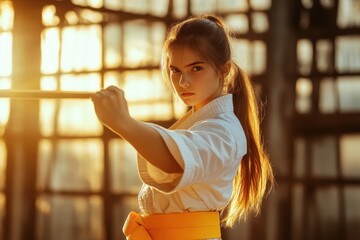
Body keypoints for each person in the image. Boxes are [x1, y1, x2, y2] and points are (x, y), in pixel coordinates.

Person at [91, 14, 274, 240]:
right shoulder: (201, 124)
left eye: (196, 68)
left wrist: (123, 123)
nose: (182, 82)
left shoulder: (225, 131)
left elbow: (173, 162)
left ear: (224, 70)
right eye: (175, 70)